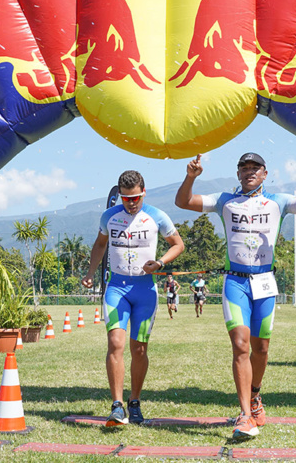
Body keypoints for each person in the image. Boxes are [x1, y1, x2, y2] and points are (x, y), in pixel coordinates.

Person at [175, 149, 296, 441]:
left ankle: (255, 394)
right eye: (244, 168)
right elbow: (183, 201)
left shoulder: (277, 202)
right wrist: (190, 177)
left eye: (255, 167)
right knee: (241, 346)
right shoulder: (225, 201)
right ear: (238, 173)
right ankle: (245, 415)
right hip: (236, 282)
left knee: (262, 349)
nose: (249, 172)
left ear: (265, 173)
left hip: (264, 282)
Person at [82, 170, 184, 427]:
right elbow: (100, 245)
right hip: (117, 288)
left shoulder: (156, 216)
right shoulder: (109, 216)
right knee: (115, 343)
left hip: (145, 290)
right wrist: (91, 273)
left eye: (136, 197)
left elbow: (178, 244)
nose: (131, 203)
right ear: (120, 196)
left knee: (139, 349)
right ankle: (116, 405)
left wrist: (160, 262)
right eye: (126, 199)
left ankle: (134, 401)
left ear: (143, 192)